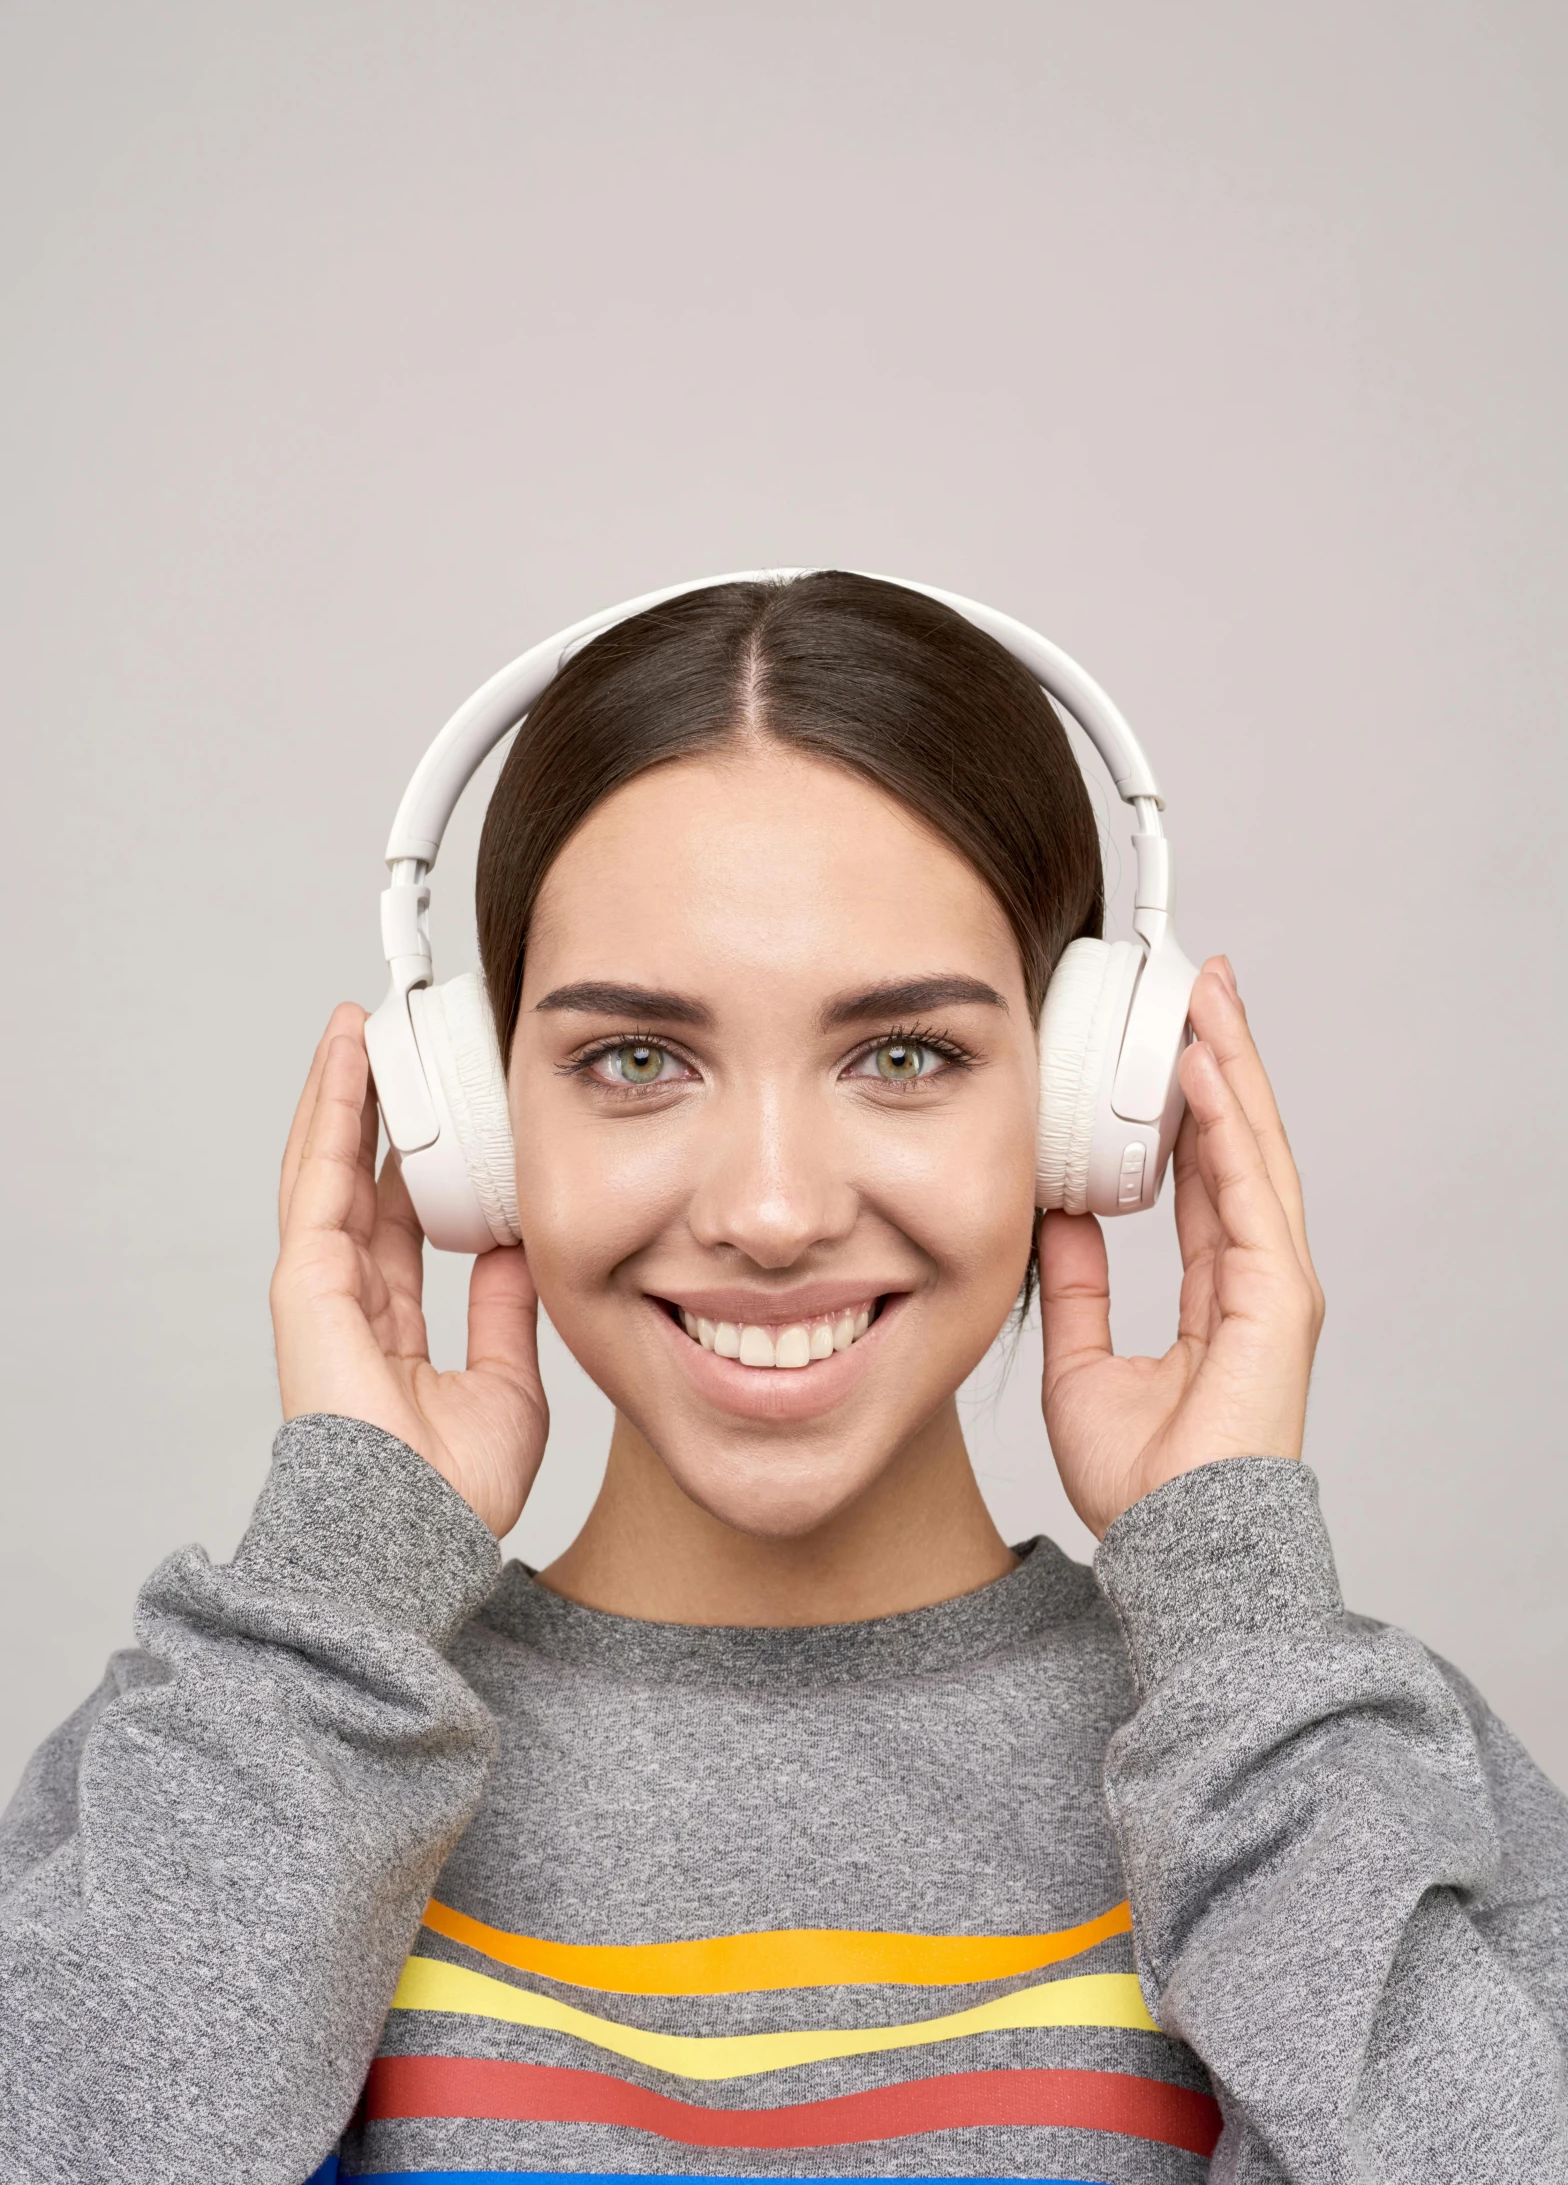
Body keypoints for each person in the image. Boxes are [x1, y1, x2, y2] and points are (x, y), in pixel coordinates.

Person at [1, 572, 1564, 2185]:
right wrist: (337, 1588)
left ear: (1089, 1112)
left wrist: (1236, 1611)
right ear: (470, 1127)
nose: (769, 1211)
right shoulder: (240, 1761)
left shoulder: (1321, 1754)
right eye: (635, 1060)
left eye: (905, 1057)